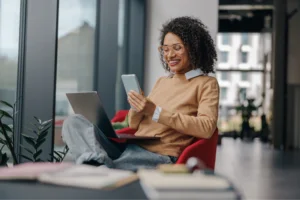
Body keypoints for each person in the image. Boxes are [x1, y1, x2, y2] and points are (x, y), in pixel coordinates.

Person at [62, 16, 219, 171]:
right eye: (165, 49)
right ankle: (97, 165)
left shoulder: (206, 84)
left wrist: (155, 112)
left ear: (194, 48)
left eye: (177, 48)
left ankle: (97, 167)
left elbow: (206, 128)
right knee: (74, 122)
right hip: (130, 148)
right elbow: (134, 125)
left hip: (159, 156)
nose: (169, 55)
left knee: (108, 166)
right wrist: (137, 108)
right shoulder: (162, 81)